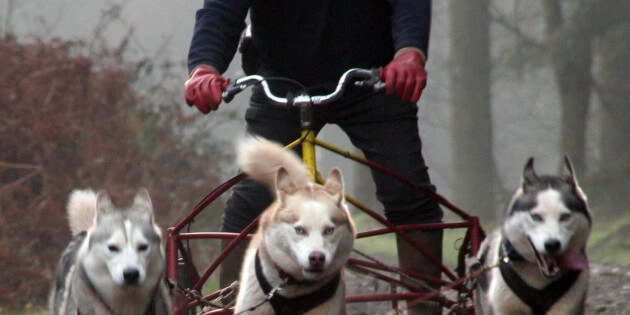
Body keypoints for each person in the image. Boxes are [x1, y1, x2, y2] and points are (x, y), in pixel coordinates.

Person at [184, 1, 442, 314]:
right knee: (251, 199)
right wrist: (204, 66)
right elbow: (222, 8)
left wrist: (410, 53)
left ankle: (425, 305)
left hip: (373, 77)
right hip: (282, 79)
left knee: (407, 189)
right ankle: (232, 304)